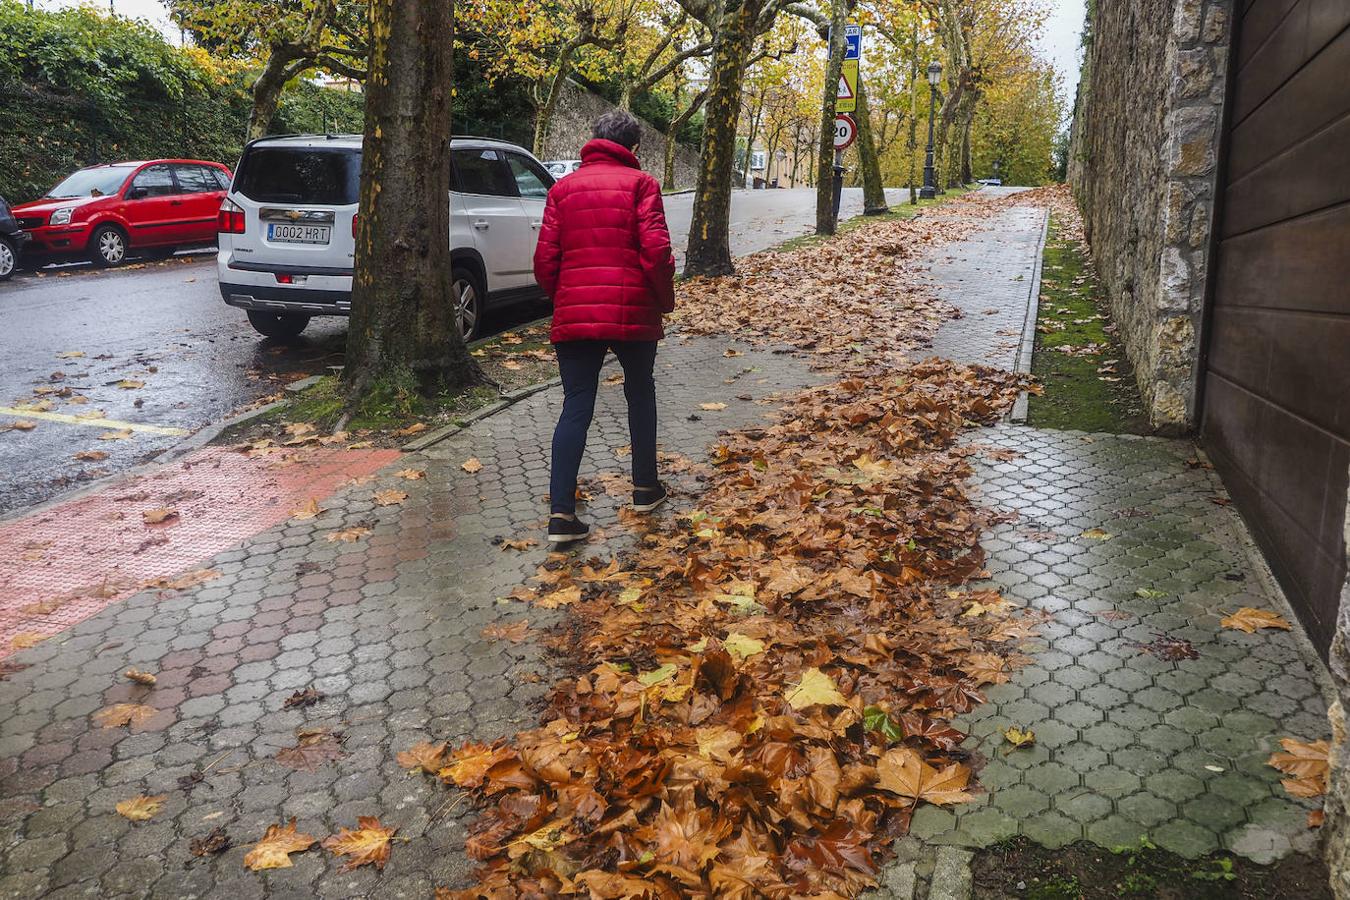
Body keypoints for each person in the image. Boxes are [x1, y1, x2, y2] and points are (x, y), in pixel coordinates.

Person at [533, 109, 677, 545]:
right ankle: (645, 489)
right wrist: (662, 300)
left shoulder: (562, 190)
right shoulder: (643, 185)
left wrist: (566, 297)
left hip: (576, 312)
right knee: (641, 393)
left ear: (593, 139)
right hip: (633, 308)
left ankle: (561, 515)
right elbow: (657, 253)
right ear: (634, 149)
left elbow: (544, 262)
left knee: (576, 403)